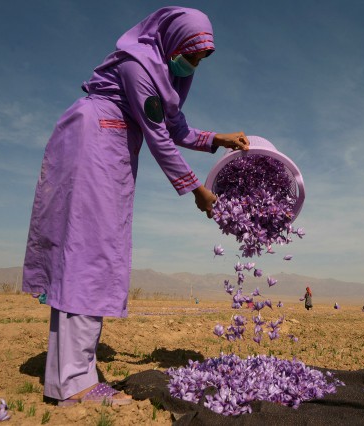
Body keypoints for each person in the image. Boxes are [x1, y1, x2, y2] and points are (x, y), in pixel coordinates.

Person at [21, 7, 250, 407]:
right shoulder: (138, 66)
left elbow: (174, 127)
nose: (193, 64)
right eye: (191, 54)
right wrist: (196, 189)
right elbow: (160, 137)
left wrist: (218, 139)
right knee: (89, 254)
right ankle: (75, 384)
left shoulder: (167, 71)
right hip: (96, 142)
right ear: (173, 39)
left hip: (110, 145)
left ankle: (70, 376)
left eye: (200, 59)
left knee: (90, 253)